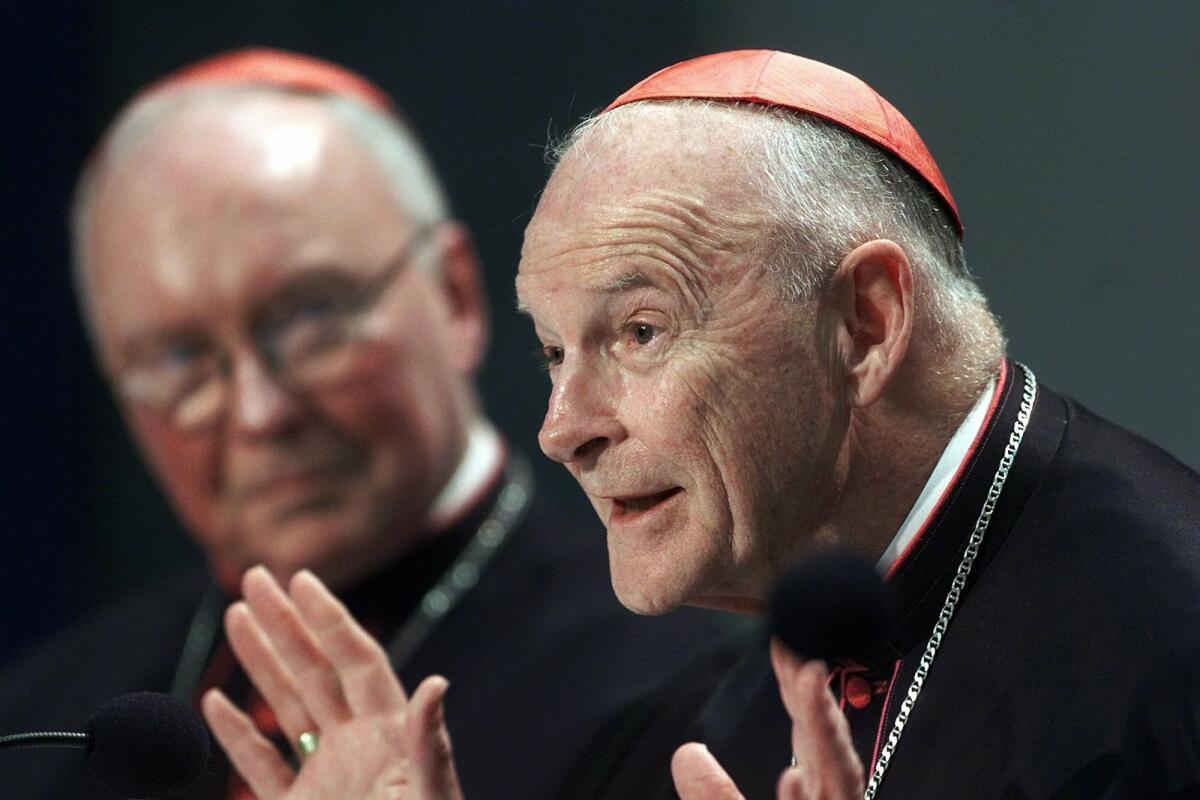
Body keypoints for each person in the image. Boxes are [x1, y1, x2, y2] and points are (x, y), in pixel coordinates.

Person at [201, 50, 1200, 799]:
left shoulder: (1166, 654)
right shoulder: (714, 709)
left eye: (640, 330)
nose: (562, 430)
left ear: (867, 322)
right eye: (554, 352)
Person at [0, 48, 744, 800]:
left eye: (311, 316)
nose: (262, 413)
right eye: (179, 357)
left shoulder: (679, 704)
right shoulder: (42, 722)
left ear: (455, 296)